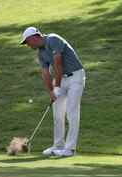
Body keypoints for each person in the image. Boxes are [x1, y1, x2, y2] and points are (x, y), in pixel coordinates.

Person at [20, 27, 85, 157]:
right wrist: (51, 91)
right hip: (61, 79)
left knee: (72, 112)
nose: (28, 45)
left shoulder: (53, 39)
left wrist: (57, 86)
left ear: (34, 37)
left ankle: (70, 149)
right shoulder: (41, 52)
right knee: (57, 114)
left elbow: (58, 63)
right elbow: (45, 73)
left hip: (75, 77)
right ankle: (58, 145)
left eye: (27, 42)